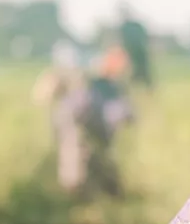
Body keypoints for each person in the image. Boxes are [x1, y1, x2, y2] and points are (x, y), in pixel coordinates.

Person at [32, 41, 134, 197]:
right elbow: (43, 96)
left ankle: (99, 188)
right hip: (79, 119)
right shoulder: (80, 78)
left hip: (87, 119)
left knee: (90, 153)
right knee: (80, 153)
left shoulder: (96, 81)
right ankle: (84, 189)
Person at [117, 4, 153, 90]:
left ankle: (148, 88)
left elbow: (145, 37)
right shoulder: (124, 27)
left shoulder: (135, 25)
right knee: (131, 72)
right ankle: (128, 88)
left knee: (144, 71)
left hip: (139, 52)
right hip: (130, 53)